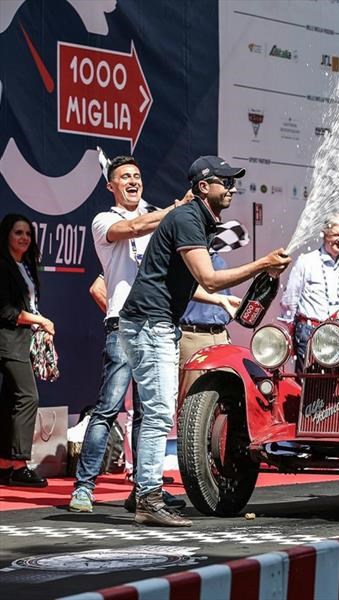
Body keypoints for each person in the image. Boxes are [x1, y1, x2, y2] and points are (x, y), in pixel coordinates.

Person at [118, 155, 290, 526]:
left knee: (158, 411)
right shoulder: (186, 218)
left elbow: (181, 280)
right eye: (224, 181)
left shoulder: (196, 219)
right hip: (150, 324)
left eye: (232, 181)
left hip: (154, 322)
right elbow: (209, 277)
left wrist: (218, 300)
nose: (231, 187)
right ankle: (147, 498)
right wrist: (261, 264)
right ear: (202, 187)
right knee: (160, 412)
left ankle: (144, 494)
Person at [69, 155, 190, 513]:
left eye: (137, 175)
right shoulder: (104, 219)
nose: (133, 181)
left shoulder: (157, 216)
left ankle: (144, 490)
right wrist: (174, 209)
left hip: (156, 323)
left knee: (148, 412)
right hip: (123, 323)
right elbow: (132, 230)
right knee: (108, 407)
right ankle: (84, 488)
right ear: (112, 186)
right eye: (124, 177)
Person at [0, 214, 54, 488]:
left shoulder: (26, 266)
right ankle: (20, 464)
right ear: (6, 235)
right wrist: (39, 320)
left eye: (27, 234)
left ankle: (4, 464)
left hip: (20, 340)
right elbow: (5, 311)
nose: (23, 238)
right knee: (27, 396)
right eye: (17, 232)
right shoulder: (2, 265)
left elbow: (27, 306)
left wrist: (37, 322)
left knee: (10, 400)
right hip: (6, 341)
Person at [279, 213, 339, 371]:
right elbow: (289, 300)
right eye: (336, 234)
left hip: (337, 333)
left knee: (335, 382)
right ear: (325, 234)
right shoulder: (306, 261)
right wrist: (292, 332)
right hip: (309, 331)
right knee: (306, 381)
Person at [179, 251, 239, 393]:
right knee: (191, 396)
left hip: (220, 335)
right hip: (192, 335)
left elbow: (226, 297)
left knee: (226, 394)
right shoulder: (184, 260)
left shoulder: (219, 260)